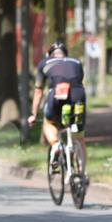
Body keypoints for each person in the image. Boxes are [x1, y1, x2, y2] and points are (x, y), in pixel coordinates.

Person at [28, 41, 88, 176]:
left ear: (50, 55)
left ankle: (55, 146)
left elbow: (38, 91)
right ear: (66, 54)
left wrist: (33, 114)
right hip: (78, 94)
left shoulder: (45, 63)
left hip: (57, 94)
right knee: (79, 137)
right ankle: (81, 172)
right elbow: (79, 80)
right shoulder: (76, 62)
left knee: (48, 122)